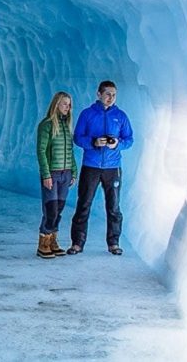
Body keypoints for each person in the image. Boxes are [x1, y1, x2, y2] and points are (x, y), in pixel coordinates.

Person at [67, 80, 134, 256]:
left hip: (113, 167)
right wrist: (93, 142)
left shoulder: (121, 116)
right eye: (107, 94)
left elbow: (129, 140)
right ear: (99, 94)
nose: (111, 98)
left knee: (114, 207)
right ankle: (77, 243)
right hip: (91, 166)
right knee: (83, 204)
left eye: (114, 94)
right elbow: (78, 137)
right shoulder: (88, 114)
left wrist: (117, 144)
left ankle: (113, 243)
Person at [35, 92, 78, 259]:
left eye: (69, 104)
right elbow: (41, 151)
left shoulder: (67, 126)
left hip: (65, 174)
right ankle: (43, 242)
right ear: (56, 105)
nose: (67, 107)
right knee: (50, 209)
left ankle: (53, 241)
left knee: (58, 209)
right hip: (52, 174)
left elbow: (70, 151)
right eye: (64, 104)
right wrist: (46, 174)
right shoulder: (46, 125)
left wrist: (73, 171)